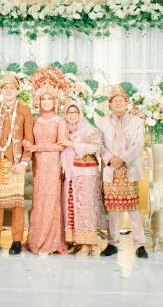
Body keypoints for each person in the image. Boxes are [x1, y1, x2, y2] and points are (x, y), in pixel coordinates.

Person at [0, 73, 34, 255]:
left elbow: (29, 139)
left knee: (17, 203)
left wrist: (24, 162)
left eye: (11, 88)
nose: (8, 91)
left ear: (17, 90)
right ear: (0, 91)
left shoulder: (24, 110)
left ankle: (17, 241)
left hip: (16, 163)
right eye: (5, 88)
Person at [98, 85, 148, 259]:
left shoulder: (137, 122)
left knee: (133, 208)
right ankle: (112, 243)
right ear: (110, 103)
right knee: (113, 208)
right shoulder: (102, 122)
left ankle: (140, 245)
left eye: (121, 100)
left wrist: (123, 159)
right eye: (115, 100)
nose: (118, 103)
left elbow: (138, 145)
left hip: (129, 169)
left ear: (126, 102)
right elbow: (99, 144)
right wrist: (111, 159)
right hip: (111, 169)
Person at [24, 84, 68, 255]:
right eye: (44, 98)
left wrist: (37, 147)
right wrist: (27, 144)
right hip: (38, 166)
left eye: (50, 98)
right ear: (39, 101)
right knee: (39, 201)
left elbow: (61, 146)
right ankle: (36, 240)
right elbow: (29, 141)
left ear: (55, 101)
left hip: (53, 165)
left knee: (51, 201)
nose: (47, 101)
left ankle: (51, 242)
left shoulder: (59, 121)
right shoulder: (35, 120)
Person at [59, 100, 104, 256]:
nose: (72, 115)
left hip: (86, 174)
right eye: (69, 112)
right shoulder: (63, 130)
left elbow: (95, 147)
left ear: (80, 113)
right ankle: (75, 242)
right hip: (70, 174)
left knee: (85, 208)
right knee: (71, 206)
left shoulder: (88, 128)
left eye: (75, 112)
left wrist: (72, 144)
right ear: (65, 114)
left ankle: (87, 244)